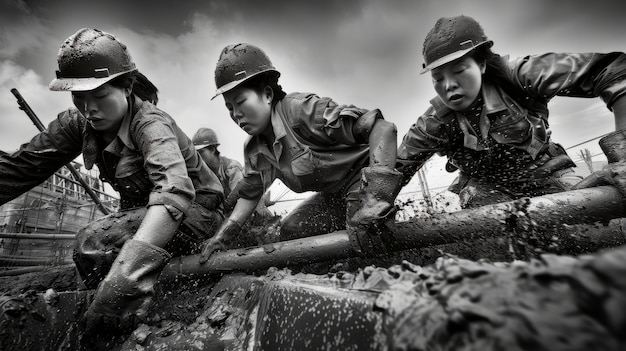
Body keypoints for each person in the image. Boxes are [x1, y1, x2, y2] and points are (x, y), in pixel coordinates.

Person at [0, 28, 225, 321]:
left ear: (127, 87)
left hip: (199, 215)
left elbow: (174, 194)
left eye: (100, 94)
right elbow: (22, 167)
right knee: (99, 250)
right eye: (78, 96)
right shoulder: (78, 123)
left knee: (95, 243)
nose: (89, 108)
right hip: (144, 215)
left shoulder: (150, 125)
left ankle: (118, 319)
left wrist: (122, 281)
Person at [199, 43, 402, 263]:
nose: (236, 114)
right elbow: (249, 196)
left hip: (364, 181)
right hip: (333, 194)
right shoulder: (254, 150)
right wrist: (222, 237)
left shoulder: (300, 111)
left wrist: (375, 200)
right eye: (229, 108)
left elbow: (383, 129)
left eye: (240, 102)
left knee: (364, 235)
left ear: (267, 94)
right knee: (293, 229)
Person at [397, 15, 626, 209]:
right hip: (484, 187)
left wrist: (623, 156)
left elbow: (613, 69)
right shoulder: (433, 122)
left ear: (482, 65)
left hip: (546, 171)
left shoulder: (518, 76)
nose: (449, 85)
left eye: (459, 71)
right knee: (487, 230)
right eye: (438, 78)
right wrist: (377, 201)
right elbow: (394, 170)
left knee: (592, 217)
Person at [192, 127, 244, 211]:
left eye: (201, 152)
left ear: (212, 149)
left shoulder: (231, 167)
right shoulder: (200, 171)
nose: (198, 157)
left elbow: (241, 196)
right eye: (196, 153)